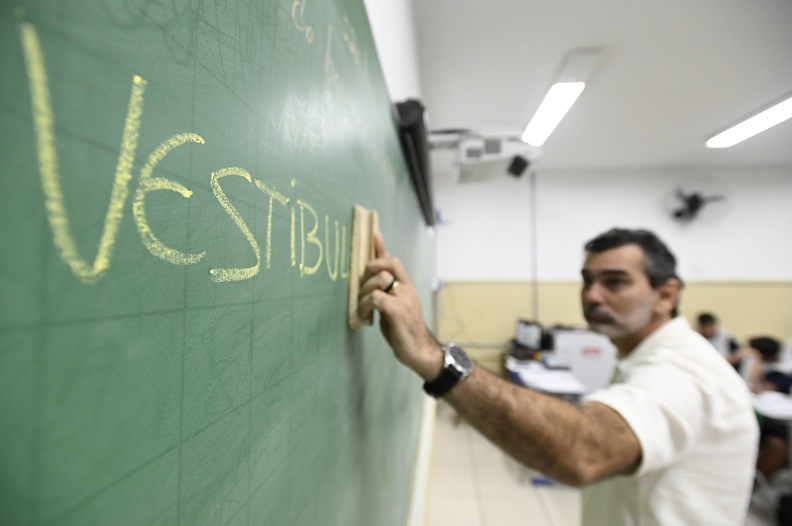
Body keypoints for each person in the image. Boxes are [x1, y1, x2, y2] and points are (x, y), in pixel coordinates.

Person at [358, 227, 759, 526]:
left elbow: (586, 451)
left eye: (614, 281)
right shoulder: (648, 358)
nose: (592, 296)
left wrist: (433, 357)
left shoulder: (684, 373)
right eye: (588, 280)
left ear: (666, 295)